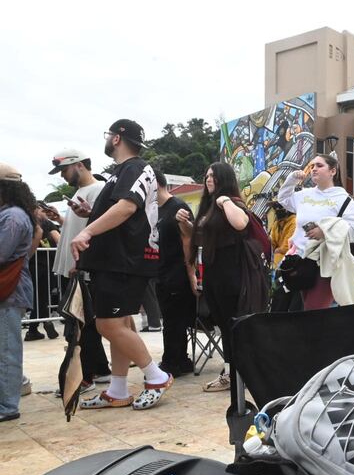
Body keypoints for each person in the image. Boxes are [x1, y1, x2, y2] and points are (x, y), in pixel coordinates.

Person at [73, 119, 172, 411]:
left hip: (124, 261)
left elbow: (128, 207)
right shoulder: (122, 173)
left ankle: (156, 376)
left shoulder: (136, 168)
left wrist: (87, 231)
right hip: (117, 260)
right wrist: (91, 214)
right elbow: (124, 210)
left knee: (108, 324)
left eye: (108, 136)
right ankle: (117, 389)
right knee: (120, 323)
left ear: (117, 138)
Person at [178, 162, 250, 392]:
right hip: (213, 275)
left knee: (233, 325)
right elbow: (200, 239)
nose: (209, 180)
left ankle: (237, 373)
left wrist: (226, 201)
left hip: (231, 275)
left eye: (214, 176)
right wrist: (187, 224)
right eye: (207, 175)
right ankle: (232, 372)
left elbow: (241, 223)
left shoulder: (230, 203)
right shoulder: (208, 206)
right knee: (223, 325)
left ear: (224, 179)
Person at [46, 149, 111, 391]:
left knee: (79, 325)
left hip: (81, 269)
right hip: (74, 268)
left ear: (80, 165)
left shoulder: (97, 190)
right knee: (84, 323)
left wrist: (81, 263)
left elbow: (99, 229)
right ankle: (100, 369)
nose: (62, 175)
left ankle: (87, 375)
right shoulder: (81, 192)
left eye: (64, 170)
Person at [277, 154, 354, 310]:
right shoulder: (304, 195)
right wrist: (291, 179)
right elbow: (283, 199)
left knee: (313, 312)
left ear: (333, 171)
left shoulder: (344, 200)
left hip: (324, 263)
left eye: (319, 165)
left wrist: (325, 232)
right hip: (299, 261)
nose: (314, 169)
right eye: (312, 166)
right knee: (293, 311)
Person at [0, 163, 35, 422]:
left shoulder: (12, 216)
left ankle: (7, 405)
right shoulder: (12, 214)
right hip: (9, 289)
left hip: (10, 291)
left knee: (7, 350)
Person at [154, 171, 196, 377]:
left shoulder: (178, 207)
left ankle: (173, 361)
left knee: (174, 319)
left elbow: (189, 240)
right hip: (161, 271)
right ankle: (180, 359)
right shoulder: (155, 210)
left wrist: (191, 275)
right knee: (170, 318)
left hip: (177, 271)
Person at [24, 207, 60, 341]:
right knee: (43, 296)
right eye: (42, 210)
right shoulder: (45, 223)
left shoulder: (25, 221)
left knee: (37, 297)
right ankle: (43, 322)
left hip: (30, 264)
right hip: (44, 265)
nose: (45, 213)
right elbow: (58, 239)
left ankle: (34, 329)